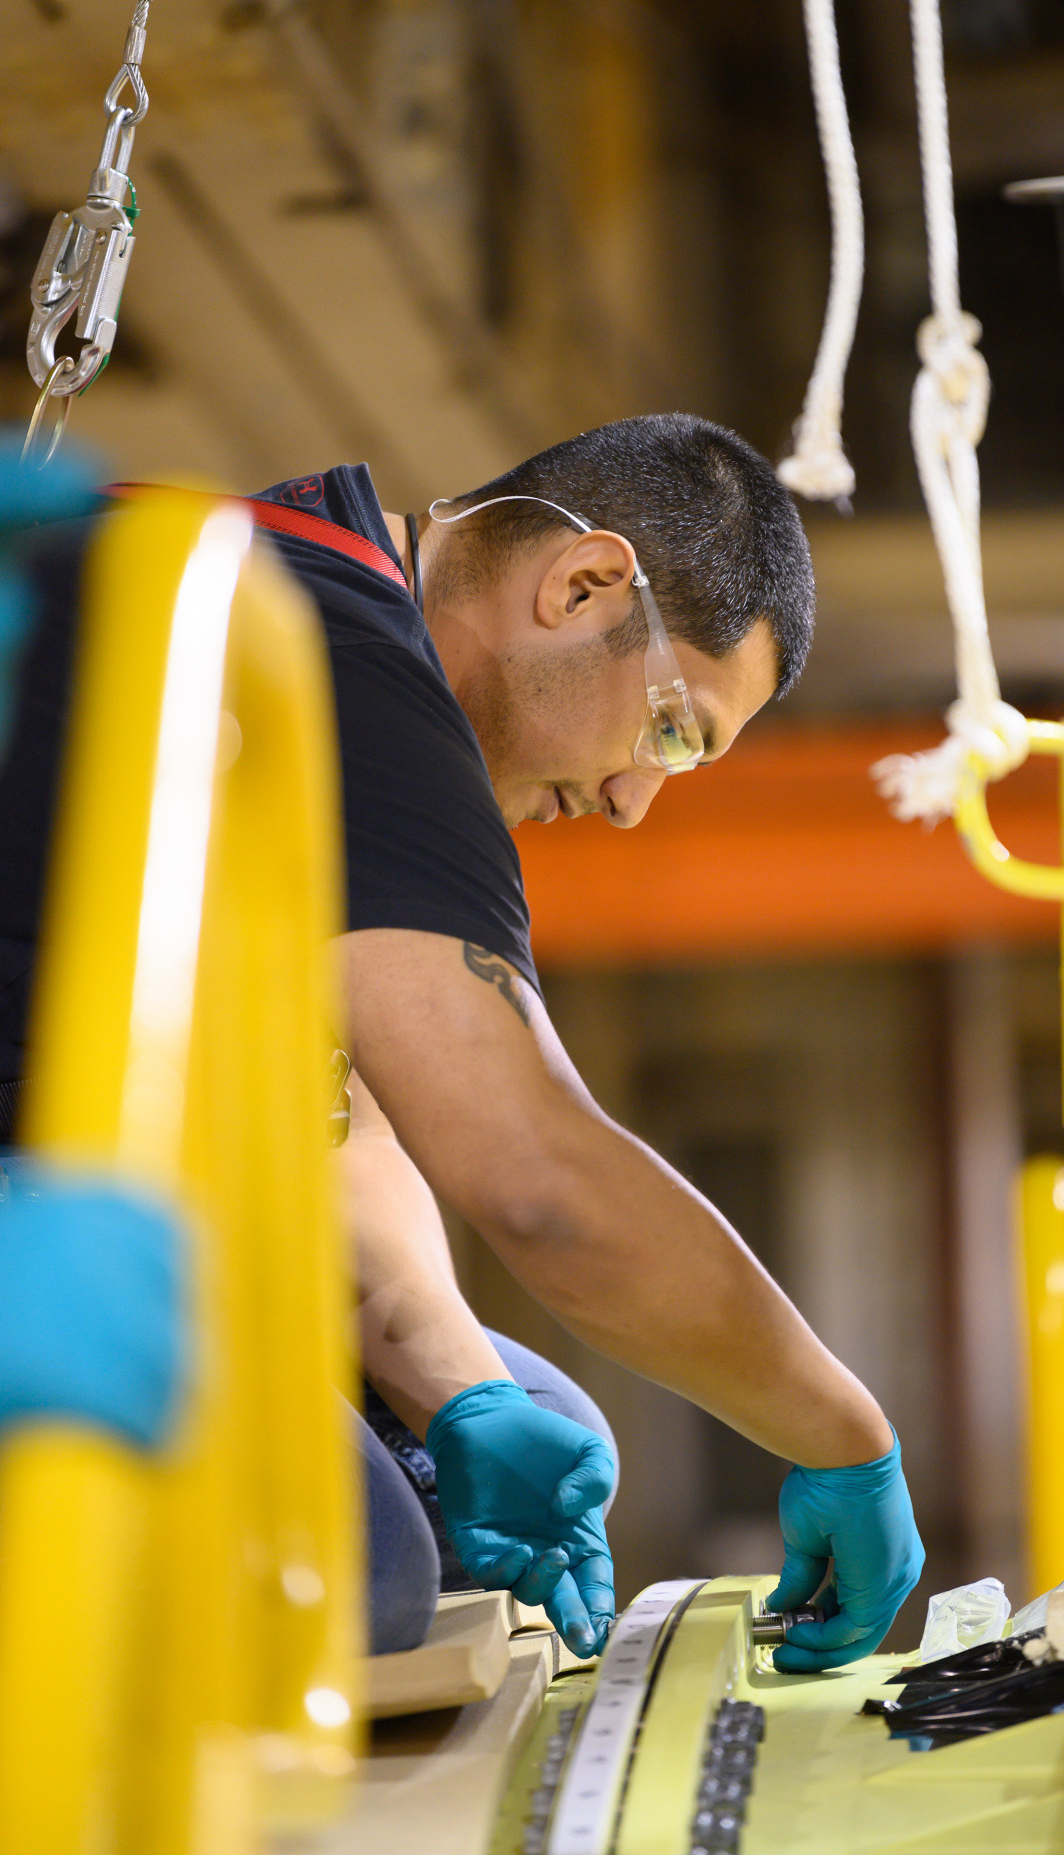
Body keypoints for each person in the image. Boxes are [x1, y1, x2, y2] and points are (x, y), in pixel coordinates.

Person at [0, 414, 923, 1671]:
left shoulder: (309, 591)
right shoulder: (336, 660)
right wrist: (842, 1434)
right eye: (671, 731)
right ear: (582, 585)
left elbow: (344, 1106)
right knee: (339, 1560)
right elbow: (539, 1181)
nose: (633, 801)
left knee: (525, 1422)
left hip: (57, 1190)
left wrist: (452, 1380)